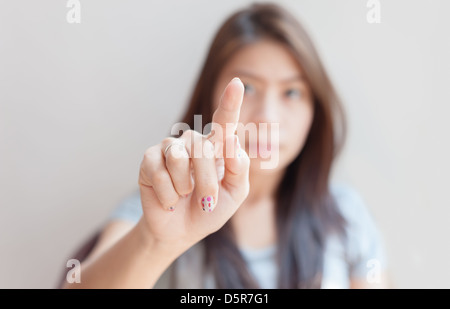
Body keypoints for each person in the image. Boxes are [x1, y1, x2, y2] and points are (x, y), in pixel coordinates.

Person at [63, 3, 388, 289]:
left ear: (315, 112)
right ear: (210, 97)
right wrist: (154, 242)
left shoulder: (346, 215)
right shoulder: (162, 201)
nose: (268, 118)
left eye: (292, 93)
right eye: (247, 87)